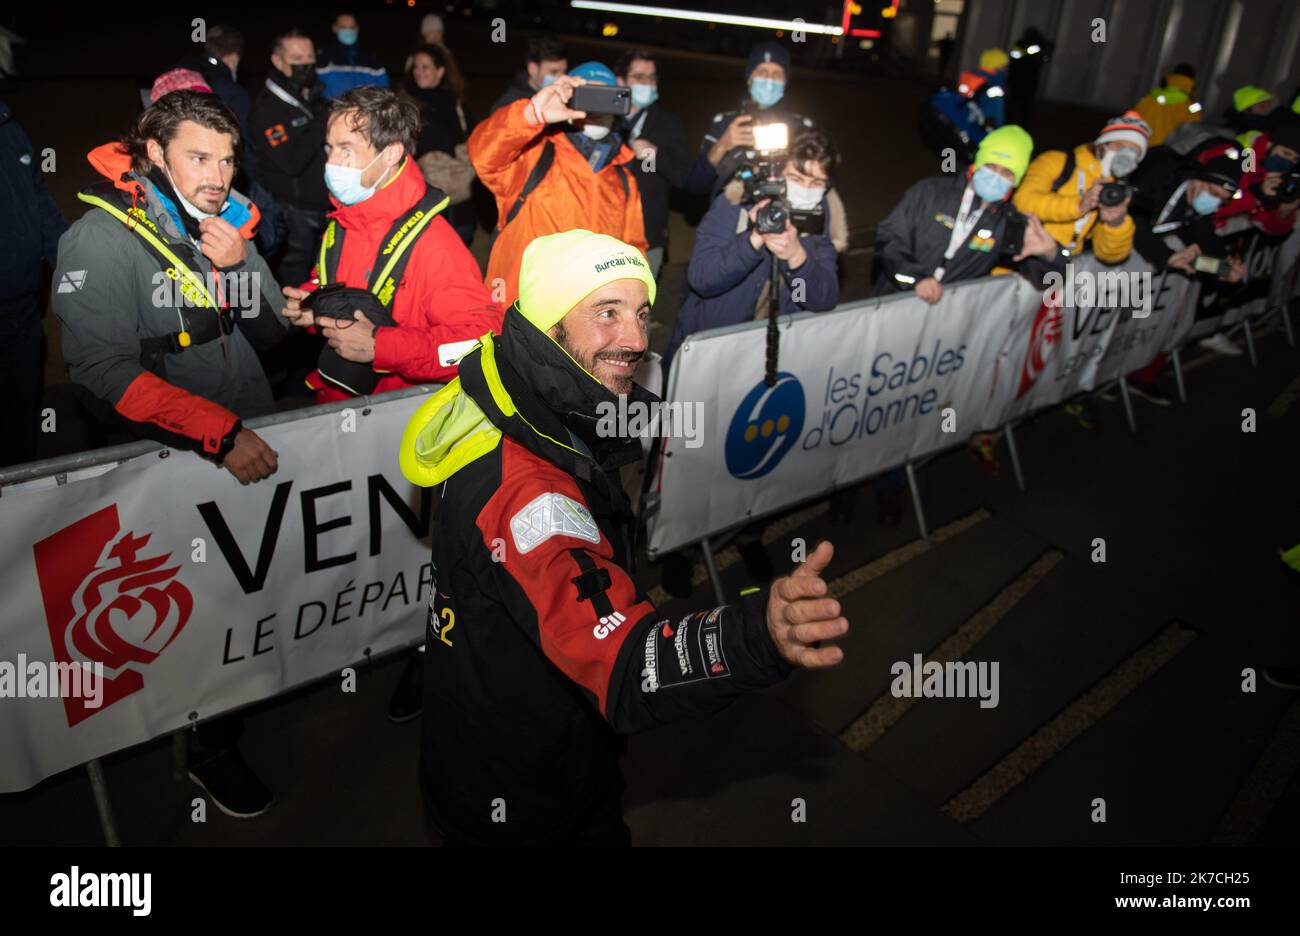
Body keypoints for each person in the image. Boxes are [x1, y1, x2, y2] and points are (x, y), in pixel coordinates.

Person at [398, 229, 850, 845]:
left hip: (486, 754)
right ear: (549, 323)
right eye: (605, 313)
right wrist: (758, 635)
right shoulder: (532, 493)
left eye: (641, 314)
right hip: (528, 800)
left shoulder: (510, 387)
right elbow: (622, 666)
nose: (636, 339)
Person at [52, 91, 289, 816]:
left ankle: (224, 720)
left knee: (243, 597)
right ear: (154, 153)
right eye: (198, 157)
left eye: (226, 159)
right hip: (175, 460)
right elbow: (97, 371)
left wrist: (245, 264)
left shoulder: (223, 225)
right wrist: (214, 431)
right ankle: (205, 751)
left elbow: (275, 334)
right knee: (192, 613)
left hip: (245, 449)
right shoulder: (98, 240)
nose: (217, 175)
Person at [871, 124, 1065, 506]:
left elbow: (1050, 281)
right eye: (993, 166)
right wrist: (916, 277)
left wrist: (1049, 254)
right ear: (977, 162)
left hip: (944, 334)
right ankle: (841, 489)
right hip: (892, 319)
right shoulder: (929, 192)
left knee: (912, 406)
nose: (998, 177)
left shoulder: (1007, 222)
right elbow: (887, 241)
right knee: (872, 402)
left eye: (1009, 173)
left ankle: (891, 484)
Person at [280, 85, 499, 404]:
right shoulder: (345, 218)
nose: (331, 163)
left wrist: (381, 346)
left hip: (398, 418)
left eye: (346, 150)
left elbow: (479, 342)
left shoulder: (434, 243)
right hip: (339, 401)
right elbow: (342, 284)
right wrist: (314, 305)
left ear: (392, 154)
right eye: (330, 149)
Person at [468, 62, 648, 311]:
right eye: (587, 96)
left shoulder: (623, 180)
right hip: (520, 315)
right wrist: (532, 114)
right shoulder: (534, 155)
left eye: (605, 96)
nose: (595, 108)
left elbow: (634, 251)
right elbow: (483, 153)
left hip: (586, 323)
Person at [664, 127, 841, 367]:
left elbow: (820, 299)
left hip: (774, 357)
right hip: (712, 353)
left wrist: (797, 258)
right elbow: (703, 279)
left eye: (816, 182)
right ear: (776, 175)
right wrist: (753, 240)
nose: (806, 190)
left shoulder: (819, 216)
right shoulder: (736, 203)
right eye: (797, 179)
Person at [1128, 147, 1243, 381]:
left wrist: (1225, 267)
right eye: (1214, 192)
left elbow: (1205, 236)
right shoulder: (1161, 179)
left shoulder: (1197, 205)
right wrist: (1166, 256)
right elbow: (1132, 219)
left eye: (1223, 200)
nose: (1216, 202)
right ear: (1198, 180)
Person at [0, 101, 65, 468]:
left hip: (22, 314)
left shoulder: (8, 126)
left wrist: (74, 264)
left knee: (20, 418)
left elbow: (39, 200)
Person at [249, 27, 330, 289]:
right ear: (278, 61)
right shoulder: (268, 108)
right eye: (297, 59)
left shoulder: (312, 96)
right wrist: (322, 123)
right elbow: (291, 161)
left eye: (309, 58)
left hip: (323, 206)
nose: (305, 64)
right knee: (295, 281)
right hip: (293, 212)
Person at [1013, 110, 1150, 264]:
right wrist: (1079, 204)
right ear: (1102, 144)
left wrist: (1116, 223)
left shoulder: (1114, 193)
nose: (1124, 155)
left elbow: (1111, 256)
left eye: (1134, 151)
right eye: (1119, 145)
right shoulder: (1057, 162)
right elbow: (1023, 202)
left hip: (1059, 268)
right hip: (1022, 257)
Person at [685, 40, 814, 199]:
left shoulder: (801, 128)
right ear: (749, 79)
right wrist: (722, 146)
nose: (769, 80)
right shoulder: (727, 124)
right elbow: (695, 186)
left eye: (777, 74)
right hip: (731, 217)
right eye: (762, 72)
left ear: (785, 82)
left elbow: (817, 187)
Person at [613, 49, 689, 278]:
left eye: (651, 77)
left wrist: (656, 155)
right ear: (621, 81)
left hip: (648, 237)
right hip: (603, 231)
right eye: (639, 77)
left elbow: (684, 176)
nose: (646, 83)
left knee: (639, 306)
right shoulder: (603, 120)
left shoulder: (668, 124)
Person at [401, 43, 475, 243]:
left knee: (461, 243)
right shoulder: (407, 104)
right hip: (424, 195)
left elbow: (471, 139)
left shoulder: (456, 104)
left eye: (425, 67)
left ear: (440, 71)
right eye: (416, 67)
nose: (418, 72)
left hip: (460, 194)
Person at [317, 12, 389, 101]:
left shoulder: (371, 57)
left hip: (366, 111)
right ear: (334, 28)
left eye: (352, 27)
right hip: (334, 111)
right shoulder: (323, 56)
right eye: (343, 27)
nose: (348, 31)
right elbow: (316, 88)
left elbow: (383, 88)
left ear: (357, 28)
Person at [490, 34, 566, 114]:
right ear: (532, 68)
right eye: (553, 72)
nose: (561, 78)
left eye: (564, 71)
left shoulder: (563, 95)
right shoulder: (510, 104)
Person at [1134, 64, 1201, 147]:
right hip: (1168, 151)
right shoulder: (1192, 106)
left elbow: (1134, 119)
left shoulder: (1150, 98)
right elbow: (1194, 130)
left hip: (1142, 145)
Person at [1225, 84, 1275, 150]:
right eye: (1262, 105)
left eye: (1268, 103)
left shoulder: (1270, 125)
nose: (1267, 108)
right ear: (1246, 109)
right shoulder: (1232, 131)